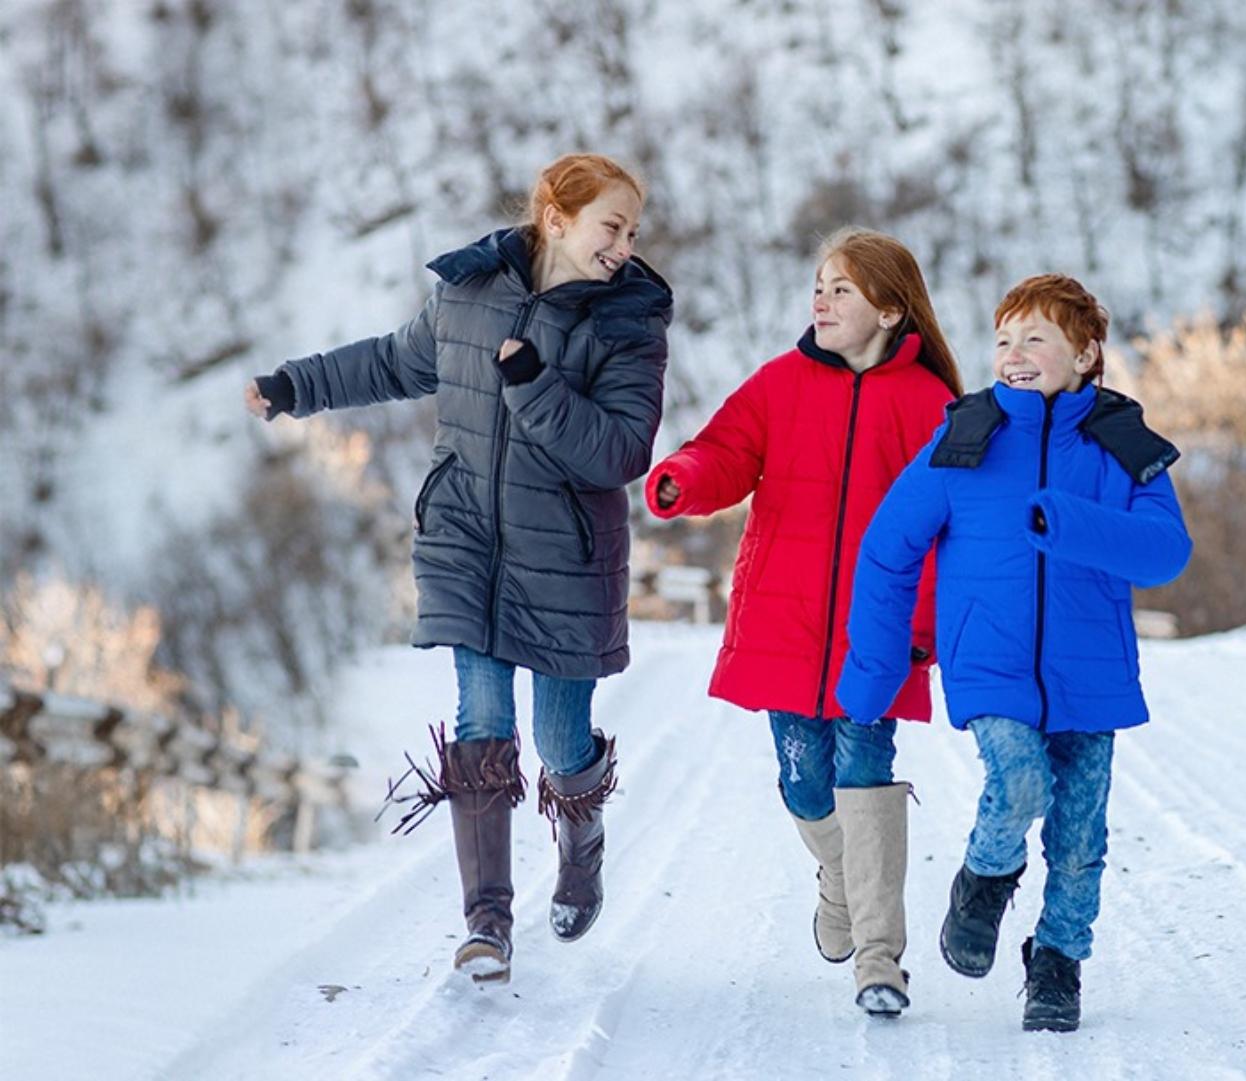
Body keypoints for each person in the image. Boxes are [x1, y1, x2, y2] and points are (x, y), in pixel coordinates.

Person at [244, 153, 672, 983]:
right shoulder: (469, 291)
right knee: (482, 720)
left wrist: (532, 383)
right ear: (556, 215)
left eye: (631, 232)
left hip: (566, 560)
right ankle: (488, 921)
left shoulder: (629, 322)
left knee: (557, 737)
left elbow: (619, 449)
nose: (623, 246)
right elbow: (393, 362)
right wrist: (296, 385)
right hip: (466, 537)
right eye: (610, 227)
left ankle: (580, 836)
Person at [838, 273, 1191, 1032]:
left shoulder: (1122, 441)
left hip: (1090, 671)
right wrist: (874, 665)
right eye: (1003, 339)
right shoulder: (966, 435)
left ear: (1087, 353)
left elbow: (1166, 551)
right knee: (1020, 779)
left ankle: (1058, 962)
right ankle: (985, 878)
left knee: (1080, 834)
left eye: (1036, 338)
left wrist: (1070, 521)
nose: (1014, 354)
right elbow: (888, 546)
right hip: (989, 662)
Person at [643, 228, 960, 1016]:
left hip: (877, 634)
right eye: (819, 284)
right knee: (804, 778)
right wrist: (682, 479)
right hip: (785, 624)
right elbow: (724, 450)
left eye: (842, 288)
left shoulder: (930, 406)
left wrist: (922, 628)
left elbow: (945, 532)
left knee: (866, 772)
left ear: (890, 308)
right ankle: (840, 878)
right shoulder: (780, 383)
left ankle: (880, 958)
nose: (821, 299)